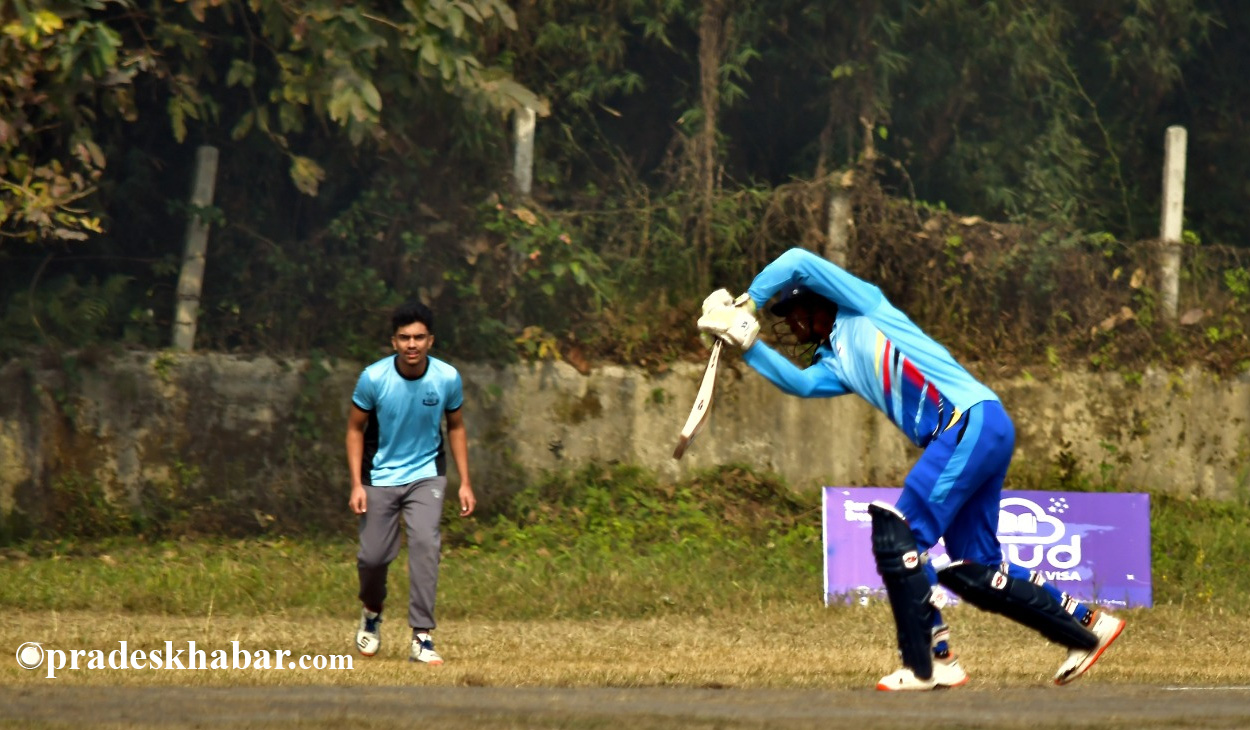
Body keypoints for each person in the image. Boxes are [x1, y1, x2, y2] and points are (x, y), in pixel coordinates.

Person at [697, 247, 1125, 691]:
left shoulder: (863, 305)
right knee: (978, 566)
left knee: (901, 535)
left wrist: (748, 302)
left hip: (966, 424)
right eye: (783, 316)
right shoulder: (836, 363)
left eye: (794, 310)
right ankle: (1089, 623)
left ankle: (935, 660)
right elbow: (802, 385)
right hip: (983, 428)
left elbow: (798, 259)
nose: (792, 323)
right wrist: (746, 345)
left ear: (818, 300)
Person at [346, 301, 476, 665]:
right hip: (379, 477)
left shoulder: (447, 377)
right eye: (404, 338)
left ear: (430, 341)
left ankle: (422, 636)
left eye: (419, 337)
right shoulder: (373, 378)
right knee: (372, 558)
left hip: (426, 476)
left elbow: (457, 427)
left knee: (424, 543)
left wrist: (465, 482)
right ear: (393, 342)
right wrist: (357, 484)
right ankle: (372, 613)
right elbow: (355, 429)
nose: (412, 344)